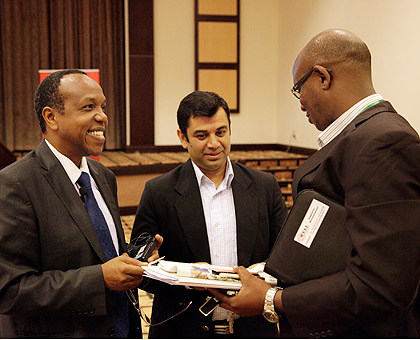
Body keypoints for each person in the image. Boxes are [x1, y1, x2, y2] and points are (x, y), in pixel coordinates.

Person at [210, 29, 420, 338]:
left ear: (322, 77)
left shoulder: (384, 142)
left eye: (299, 89)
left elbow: (379, 284)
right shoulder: (362, 137)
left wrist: (272, 299)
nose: (301, 104)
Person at [0, 69, 162, 338]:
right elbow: (11, 290)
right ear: (51, 117)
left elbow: (100, 254)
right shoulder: (15, 184)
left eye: (102, 106)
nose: (102, 116)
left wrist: (133, 263)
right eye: (89, 107)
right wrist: (100, 280)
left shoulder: (103, 177)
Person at [131, 90, 288, 338]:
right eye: (202, 135)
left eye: (221, 132)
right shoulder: (159, 192)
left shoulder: (264, 186)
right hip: (183, 329)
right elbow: (140, 272)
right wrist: (184, 276)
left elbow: (286, 257)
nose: (214, 143)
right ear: (183, 138)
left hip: (253, 329)